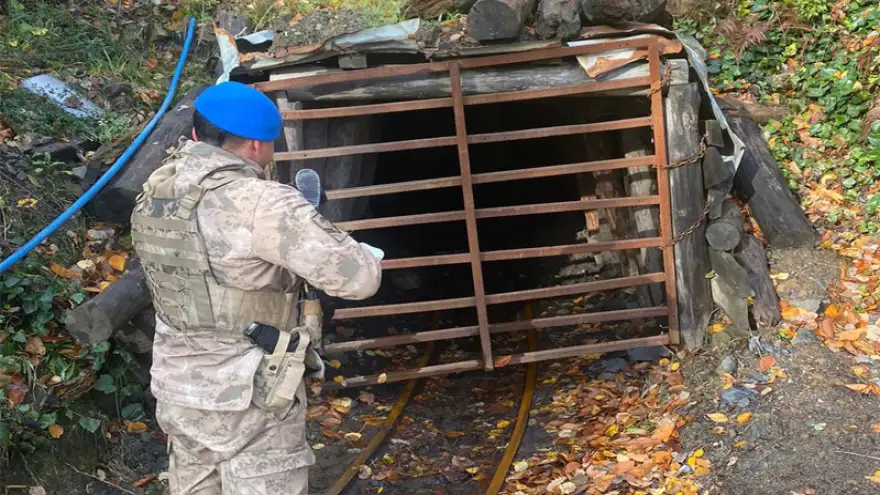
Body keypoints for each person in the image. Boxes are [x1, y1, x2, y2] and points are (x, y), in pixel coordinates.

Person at [130, 81, 383, 494]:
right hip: (250, 395)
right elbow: (360, 280)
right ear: (254, 146)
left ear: (196, 135)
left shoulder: (157, 190)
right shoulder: (263, 203)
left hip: (180, 390)